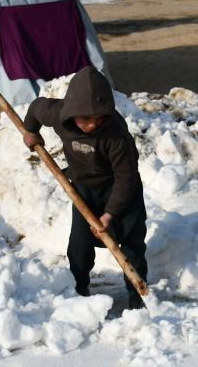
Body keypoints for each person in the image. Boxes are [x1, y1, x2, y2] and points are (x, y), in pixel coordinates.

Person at [22, 66, 148, 309]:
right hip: (84, 188)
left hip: (121, 189)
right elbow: (37, 108)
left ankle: (137, 296)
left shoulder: (116, 135)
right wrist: (30, 131)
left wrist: (109, 214)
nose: (93, 125)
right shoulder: (59, 114)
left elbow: (126, 178)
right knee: (79, 244)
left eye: (99, 118)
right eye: (86, 119)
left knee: (131, 242)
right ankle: (79, 290)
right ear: (72, 113)